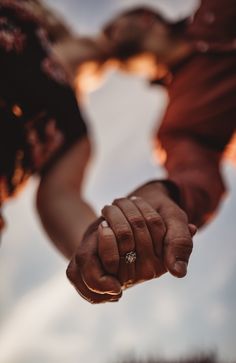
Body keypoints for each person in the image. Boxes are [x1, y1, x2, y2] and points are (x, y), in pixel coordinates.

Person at [66, 0, 236, 303]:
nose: (107, 36)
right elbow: (195, 179)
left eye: (112, 26)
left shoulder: (217, 9)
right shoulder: (176, 126)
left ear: (145, 18)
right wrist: (158, 196)